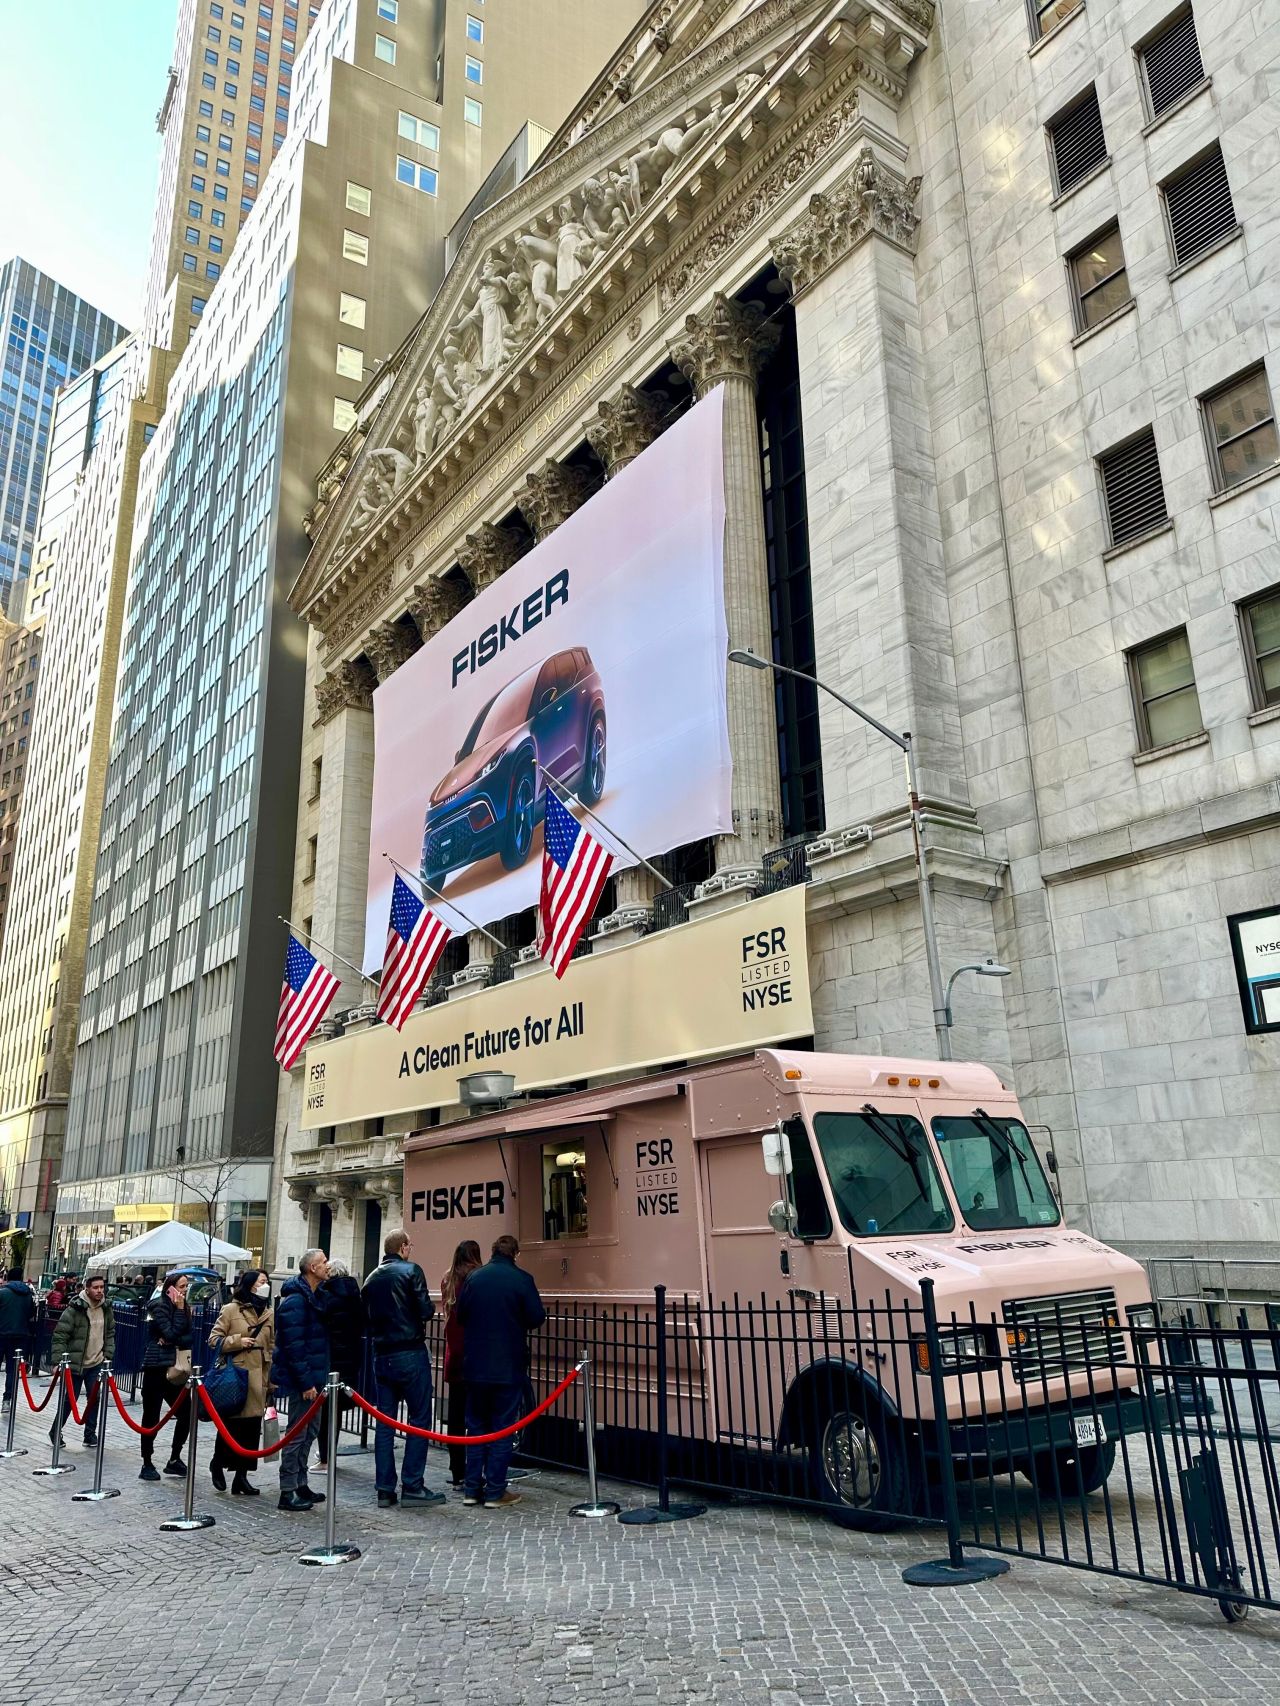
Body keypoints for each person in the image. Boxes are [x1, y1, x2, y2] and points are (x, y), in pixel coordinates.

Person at [455, 1235, 546, 1509]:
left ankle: (472, 1489)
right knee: (503, 1427)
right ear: (515, 1254)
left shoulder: (474, 1278)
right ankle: (495, 1490)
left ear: (493, 1251)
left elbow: (461, 1315)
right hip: (507, 1365)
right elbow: (536, 1317)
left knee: (477, 1427)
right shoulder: (522, 1279)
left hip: (475, 1366)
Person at [361, 1230, 445, 1510]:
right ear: (403, 1247)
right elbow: (424, 1310)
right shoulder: (411, 1271)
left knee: (385, 1423)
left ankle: (385, 1489)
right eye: (410, 1244)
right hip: (409, 1352)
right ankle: (413, 1485)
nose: (412, 1248)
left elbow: (366, 1317)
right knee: (420, 1418)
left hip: (381, 1355)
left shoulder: (371, 1278)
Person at [270, 1248, 330, 1512]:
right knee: (297, 1433)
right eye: (323, 1262)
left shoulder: (315, 1297)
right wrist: (306, 1383)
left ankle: (300, 1482)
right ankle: (288, 1489)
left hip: (315, 1377)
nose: (327, 1266)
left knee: (311, 1431)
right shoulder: (296, 1301)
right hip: (304, 1381)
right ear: (312, 1269)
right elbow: (294, 1347)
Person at [207, 1269, 276, 1496]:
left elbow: (272, 1346)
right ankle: (218, 1464)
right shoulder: (230, 1310)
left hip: (259, 1378)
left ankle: (241, 1477)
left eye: (266, 1281)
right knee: (231, 1427)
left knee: (251, 1430)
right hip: (236, 1377)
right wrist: (238, 1341)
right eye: (261, 1282)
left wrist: (271, 1382)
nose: (265, 1285)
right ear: (250, 1285)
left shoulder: (268, 1313)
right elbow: (214, 1340)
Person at [48, 1272, 115, 1449]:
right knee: (70, 1399)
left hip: (96, 1362)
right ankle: (55, 1430)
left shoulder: (106, 1308)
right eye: (96, 1288)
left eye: (102, 1287)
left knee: (95, 1397)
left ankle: (90, 1434)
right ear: (87, 1289)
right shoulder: (75, 1309)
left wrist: (107, 1355)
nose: (100, 1291)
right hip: (75, 1363)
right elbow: (60, 1335)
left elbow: (110, 1333)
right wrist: (57, 1362)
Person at [139, 1271, 193, 1482]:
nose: (184, 1290)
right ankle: (147, 1461)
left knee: (186, 1413)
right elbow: (170, 1333)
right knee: (151, 1415)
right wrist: (178, 1316)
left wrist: (173, 1334)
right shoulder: (159, 1306)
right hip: (157, 1366)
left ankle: (174, 1457)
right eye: (181, 1286)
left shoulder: (184, 1308)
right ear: (170, 1287)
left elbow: (188, 1336)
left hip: (177, 1367)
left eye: (186, 1286)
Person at [439, 1240, 482, 1488]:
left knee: (455, 1417)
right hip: (475, 1354)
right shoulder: (476, 1279)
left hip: (454, 1354)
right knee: (477, 1417)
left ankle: (457, 1470)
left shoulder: (448, 1279)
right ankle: (474, 1471)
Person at [317, 1258, 364, 1470]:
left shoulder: (327, 1296)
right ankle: (329, 1452)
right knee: (335, 1409)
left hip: (330, 1360)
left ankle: (326, 1457)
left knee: (325, 1410)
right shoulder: (355, 1295)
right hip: (350, 1359)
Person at [0, 1267, 36, 1407]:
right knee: (12, 1369)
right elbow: (31, 1314)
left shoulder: (2, 1293)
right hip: (20, 1336)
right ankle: (7, 1400)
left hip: (1, 1334)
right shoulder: (27, 1295)